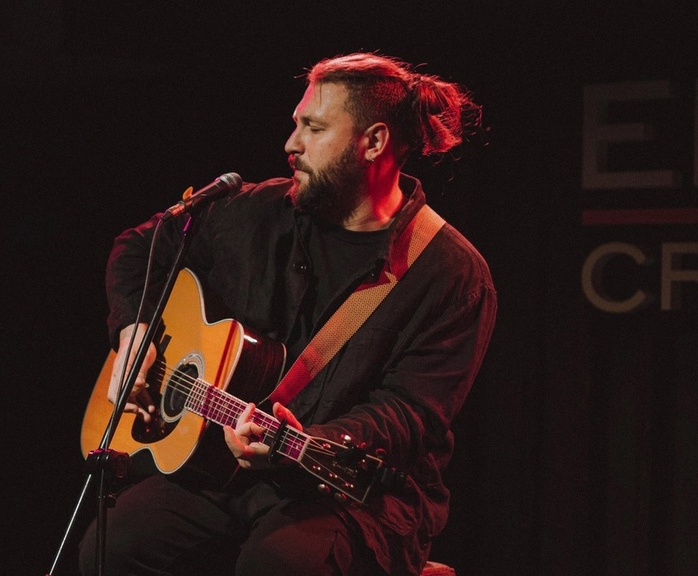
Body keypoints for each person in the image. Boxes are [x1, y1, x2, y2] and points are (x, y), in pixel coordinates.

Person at [78, 52, 497, 576]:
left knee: (280, 563)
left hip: (354, 494)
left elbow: (411, 412)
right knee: (113, 545)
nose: (290, 144)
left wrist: (308, 443)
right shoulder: (256, 211)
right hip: (225, 471)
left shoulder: (450, 271)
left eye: (313, 128)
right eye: (296, 124)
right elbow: (140, 247)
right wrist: (134, 334)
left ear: (373, 142)